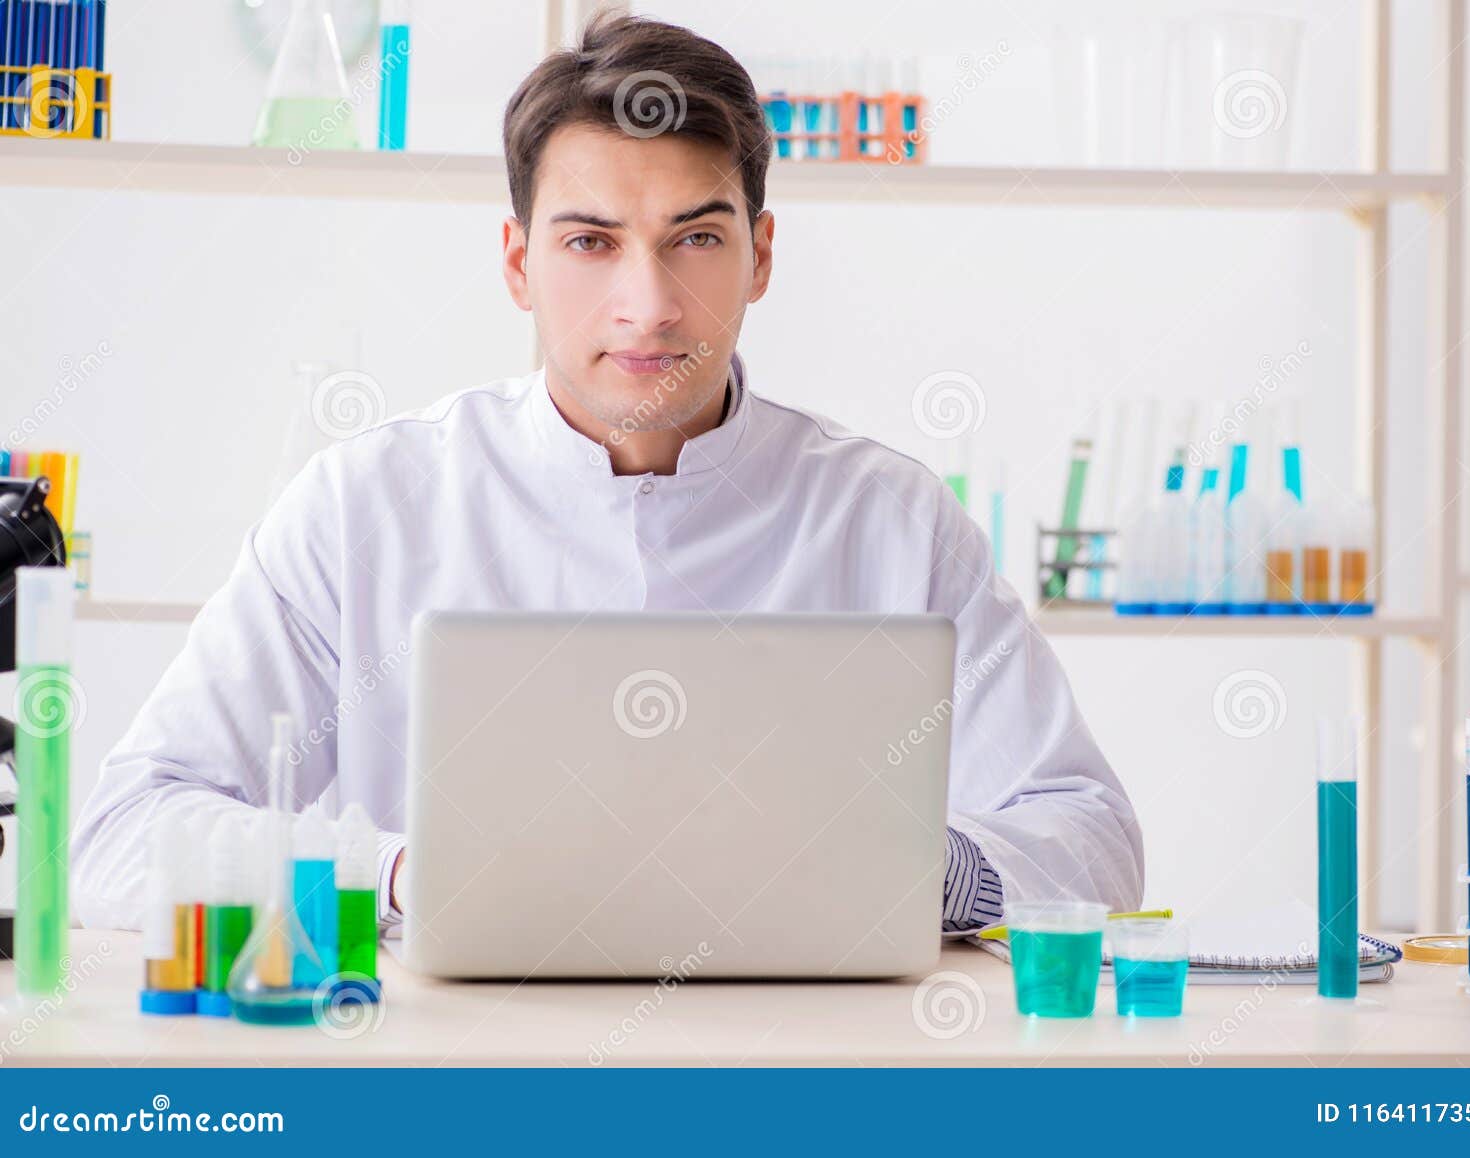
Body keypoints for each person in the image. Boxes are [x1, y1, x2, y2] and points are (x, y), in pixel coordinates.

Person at [71, 12, 1142, 934]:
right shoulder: (365, 508)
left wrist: (905, 865)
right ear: (517, 261)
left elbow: (1089, 838)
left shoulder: (890, 519)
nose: (649, 305)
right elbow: (125, 835)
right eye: (590, 243)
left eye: (695, 239)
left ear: (760, 256)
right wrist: (403, 876)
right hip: (450, 1067)